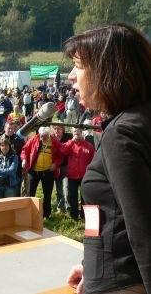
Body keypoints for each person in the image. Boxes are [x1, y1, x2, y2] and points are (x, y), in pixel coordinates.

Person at [65, 24, 151, 294]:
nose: (71, 77)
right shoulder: (139, 121)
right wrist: (91, 265)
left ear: (106, 71)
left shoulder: (121, 134)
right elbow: (103, 213)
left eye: (78, 66)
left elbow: (143, 230)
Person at [21, 126, 62, 218]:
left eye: (45, 136)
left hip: (48, 171)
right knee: (30, 192)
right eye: (41, 136)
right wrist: (24, 160)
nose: (43, 138)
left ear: (49, 134)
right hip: (34, 171)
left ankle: (46, 214)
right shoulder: (34, 139)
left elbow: (60, 155)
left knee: (47, 194)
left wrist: (56, 164)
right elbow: (24, 150)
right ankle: (29, 213)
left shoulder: (54, 142)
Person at [60, 128, 94, 220]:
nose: (76, 135)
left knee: (84, 196)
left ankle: (84, 216)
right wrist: (71, 141)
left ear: (82, 134)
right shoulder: (70, 144)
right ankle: (74, 215)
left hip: (84, 175)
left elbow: (92, 159)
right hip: (72, 175)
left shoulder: (89, 146)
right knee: (72, 196)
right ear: (72, 134)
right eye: (75, 133)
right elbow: (62, 150)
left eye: (78, 133)